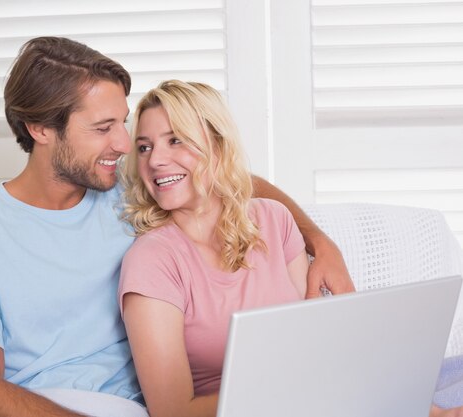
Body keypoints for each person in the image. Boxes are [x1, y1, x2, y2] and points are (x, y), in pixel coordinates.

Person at [0, 37, 354, 417]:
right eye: (102, 128)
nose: (125, 145)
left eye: (123, 123)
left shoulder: (129, 189)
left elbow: (230, 183)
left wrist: (320, 241)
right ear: (40, 129)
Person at [117, 80, 463, 417]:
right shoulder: (151, 260)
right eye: (144, 147)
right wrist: (295, 391)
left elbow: (316, 344)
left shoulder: (273, 219)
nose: (155, 160)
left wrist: (423, 408)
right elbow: (172, 411)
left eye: (175, 140)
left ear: (218, 146)